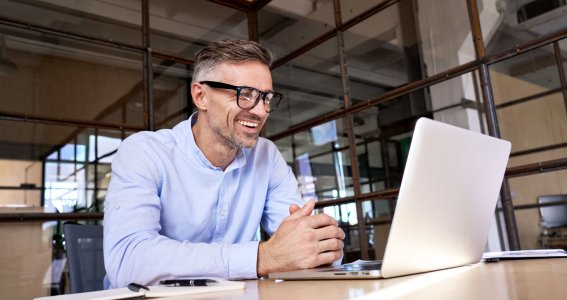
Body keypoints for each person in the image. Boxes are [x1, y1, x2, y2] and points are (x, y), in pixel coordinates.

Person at [103, 39, 345, 288]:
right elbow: (127, 261)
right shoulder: (144, 152)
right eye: (245, 95)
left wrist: (321, 244)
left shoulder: (267, 156)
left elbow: (303, 247)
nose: (261, 112)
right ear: (201, 96)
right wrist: (262, 257)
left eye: (266, 98)